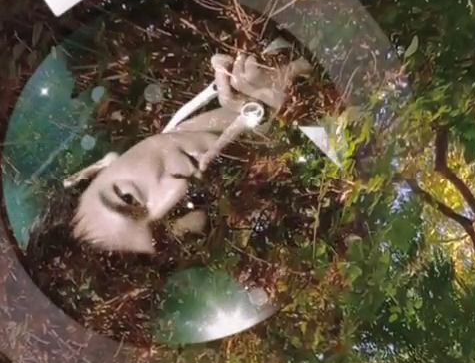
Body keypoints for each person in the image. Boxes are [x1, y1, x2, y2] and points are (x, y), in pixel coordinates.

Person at [66, 51, 312, 256]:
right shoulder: (306, 192)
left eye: (129, 198)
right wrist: (292, 84)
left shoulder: (181, 71)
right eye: (177, 226)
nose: (178, 192)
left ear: (104, 165)